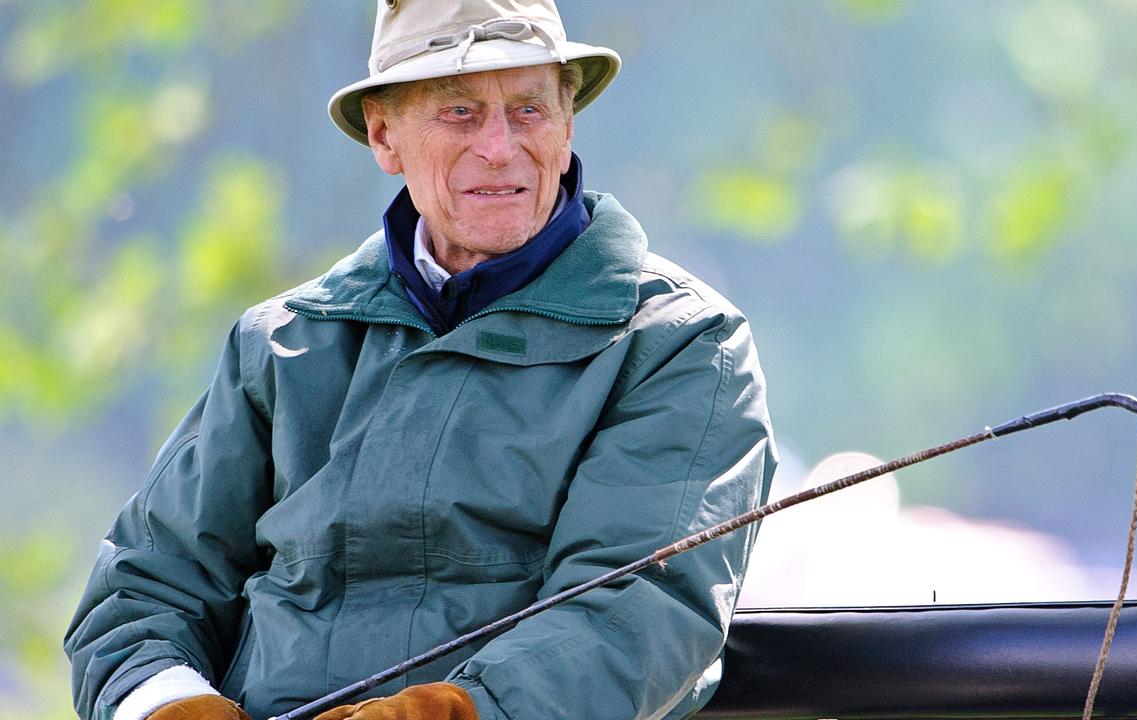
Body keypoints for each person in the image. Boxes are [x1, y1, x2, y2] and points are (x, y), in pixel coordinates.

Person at [64, 2, 776, 719]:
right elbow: (143, 588)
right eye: (461, 112)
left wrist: (449, 713)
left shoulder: (681, 343)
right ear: (384, 134)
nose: (499, 147)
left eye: (528, 110)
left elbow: (638, 610)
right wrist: (167, 705)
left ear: (567, 122)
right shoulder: (281, 344)